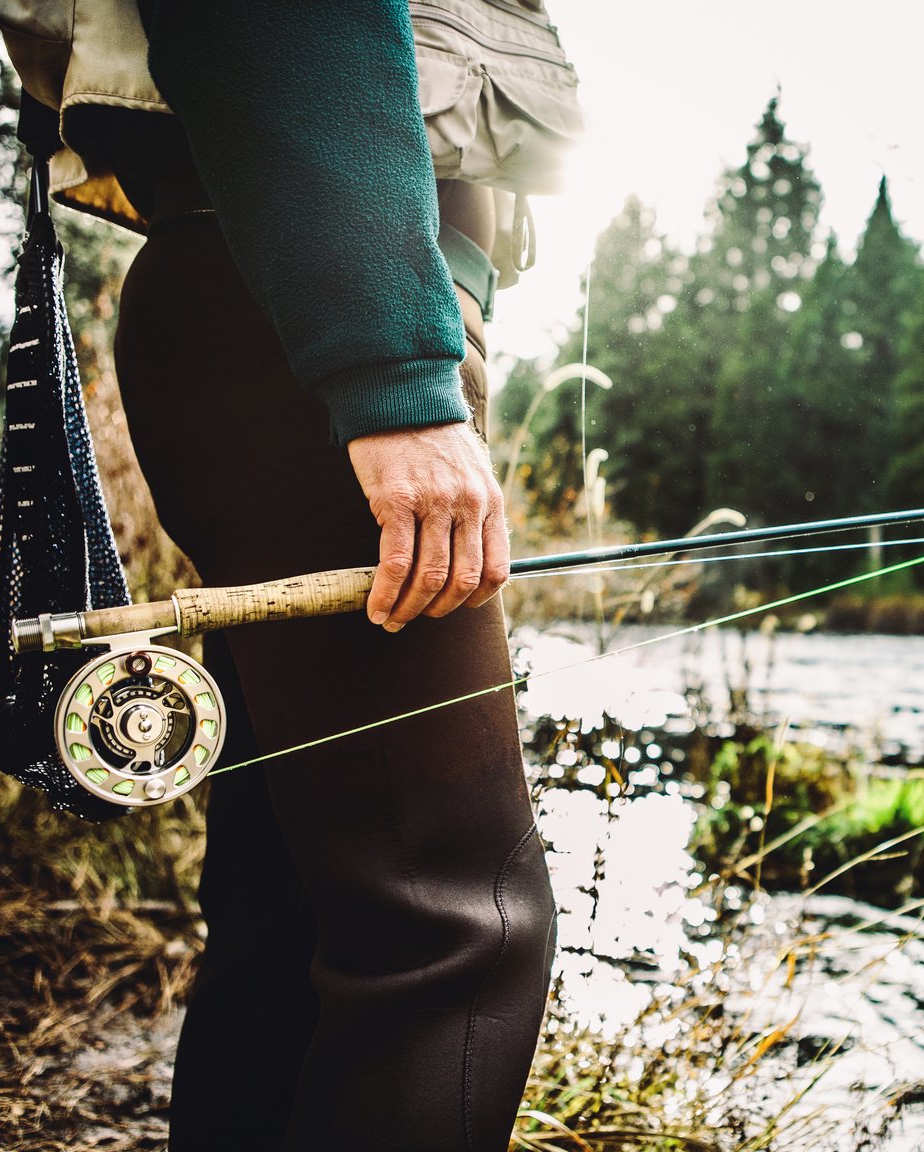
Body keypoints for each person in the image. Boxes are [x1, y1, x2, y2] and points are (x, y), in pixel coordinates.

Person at [56, 2, 559, 1148]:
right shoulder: (366, 364)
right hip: (316, 336)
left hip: (294, 317)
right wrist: (396, 382)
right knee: (452, 936)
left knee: (294, 915)